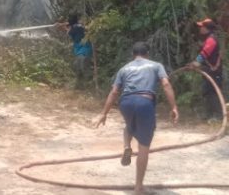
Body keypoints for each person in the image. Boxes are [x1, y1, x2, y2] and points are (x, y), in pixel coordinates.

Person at [95, 42, 178, 195]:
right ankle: (138, 187)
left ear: (133, 54)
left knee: (129, 125)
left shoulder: (124, 68)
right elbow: (166, 84)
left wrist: (104, 113)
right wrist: (173, 107)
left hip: (125, 102)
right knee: (144, 147)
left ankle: (127, 146)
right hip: (144, 102)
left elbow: (114, 92)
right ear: (147, 53)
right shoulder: (156, 65)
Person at [189, 18, 223, 120]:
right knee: (207, 91)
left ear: (206, 28)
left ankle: (217, 116)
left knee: (212, 92)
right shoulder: (209, 38)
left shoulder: (211, 39)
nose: (200, 28)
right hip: (209, 70)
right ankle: (209, 115)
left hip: (213, 71)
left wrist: (196, 62)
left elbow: (205, 53)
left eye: (201, 26)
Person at [62, 14, 93, 85]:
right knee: (78, 66)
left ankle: (88, 83)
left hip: (84, 50)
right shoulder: (79, 26)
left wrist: (61, 25)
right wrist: (63, 24)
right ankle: (81, 84)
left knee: (83, 67)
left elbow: (68, 31)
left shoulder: (75, 28)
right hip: (82, 50)